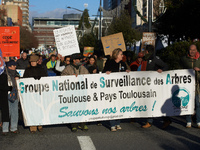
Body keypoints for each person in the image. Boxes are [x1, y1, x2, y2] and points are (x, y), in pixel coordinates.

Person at [141, 45, 169, 129]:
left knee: (154, 103)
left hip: (154, 85)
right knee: (151, 102)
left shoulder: (155, 59)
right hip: (147, 84)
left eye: (145, 51)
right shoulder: (145, 59)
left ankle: (151, 121)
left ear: (147, 52)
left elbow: (165, 66)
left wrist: (162, 70)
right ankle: (165, 120)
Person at [103, 48, 130, 132]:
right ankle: (112, 124)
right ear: (117, 55)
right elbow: (104, 71)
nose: (122, 56)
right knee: (113, 105)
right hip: (112, 88)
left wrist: (127, 71)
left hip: (120, 88)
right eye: (121, 54)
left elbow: (125, 72)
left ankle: (118, 123)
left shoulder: (123, 63)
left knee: (119, 105)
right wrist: (106, 73)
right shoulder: (110, 62)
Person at [61, 53, 89, 132]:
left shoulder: (83, 68)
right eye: (78, 59)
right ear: (74, 60)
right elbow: (62, 76)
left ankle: (83, 124)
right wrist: (70, 77)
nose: (79, 61)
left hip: (82, 92)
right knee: (73, 108)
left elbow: (88, 76)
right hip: (72, 92)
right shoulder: (68, 68)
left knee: (83, 107)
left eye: (79, 59)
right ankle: (74, 124)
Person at [23, 54, 47, 133]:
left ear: (37, 61)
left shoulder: (42, 69)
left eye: (34, 61)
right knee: (32, 108)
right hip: (31, 93)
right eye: (31, 62)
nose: (32, 63)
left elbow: (45, 79)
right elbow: (24, 80)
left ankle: (40, 124)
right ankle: (33, 125)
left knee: (40, 108)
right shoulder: (27, 69)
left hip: (40, 92)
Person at [181, 44, 200, 128]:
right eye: (190, 50)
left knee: (198, 103)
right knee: (187, 102)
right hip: (187, 85)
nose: (192, 52)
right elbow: (179, 70)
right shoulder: (184, 59)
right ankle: (188, 121)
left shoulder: (199, 59)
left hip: (197, 85)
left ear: (196, 50)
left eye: (193, 50)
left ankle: (198, 121)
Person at [4, 60, 20, 134]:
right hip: (6, 94)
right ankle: (5, 128)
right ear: (9, 66)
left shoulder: (16, 73)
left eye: (15, 65)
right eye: (13, 65)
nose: (15, 67)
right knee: (7, 112)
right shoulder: (4, 74)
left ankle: (14, 127)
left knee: (15, 111)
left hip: (15, 94)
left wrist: (18, 78)